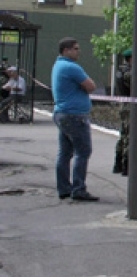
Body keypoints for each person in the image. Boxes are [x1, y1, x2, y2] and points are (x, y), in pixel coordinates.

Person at [52, 37, 98, 202]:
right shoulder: (72, 67)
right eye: (76, 49)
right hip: (74, 115)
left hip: (62, 113)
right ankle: (78, 189)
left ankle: (64, 188)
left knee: (65, 153)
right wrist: (83, 86)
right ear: (66, 50)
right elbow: (91, 86)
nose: (79, 51)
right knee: (82, 152)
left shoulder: (58, 65)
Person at [112, 49, 132, 176]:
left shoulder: (120, 71)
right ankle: (127, 165)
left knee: (123, 134)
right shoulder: (130, 73)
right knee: (129, 136)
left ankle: (118, 162)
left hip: (123, 105)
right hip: (130, 107)